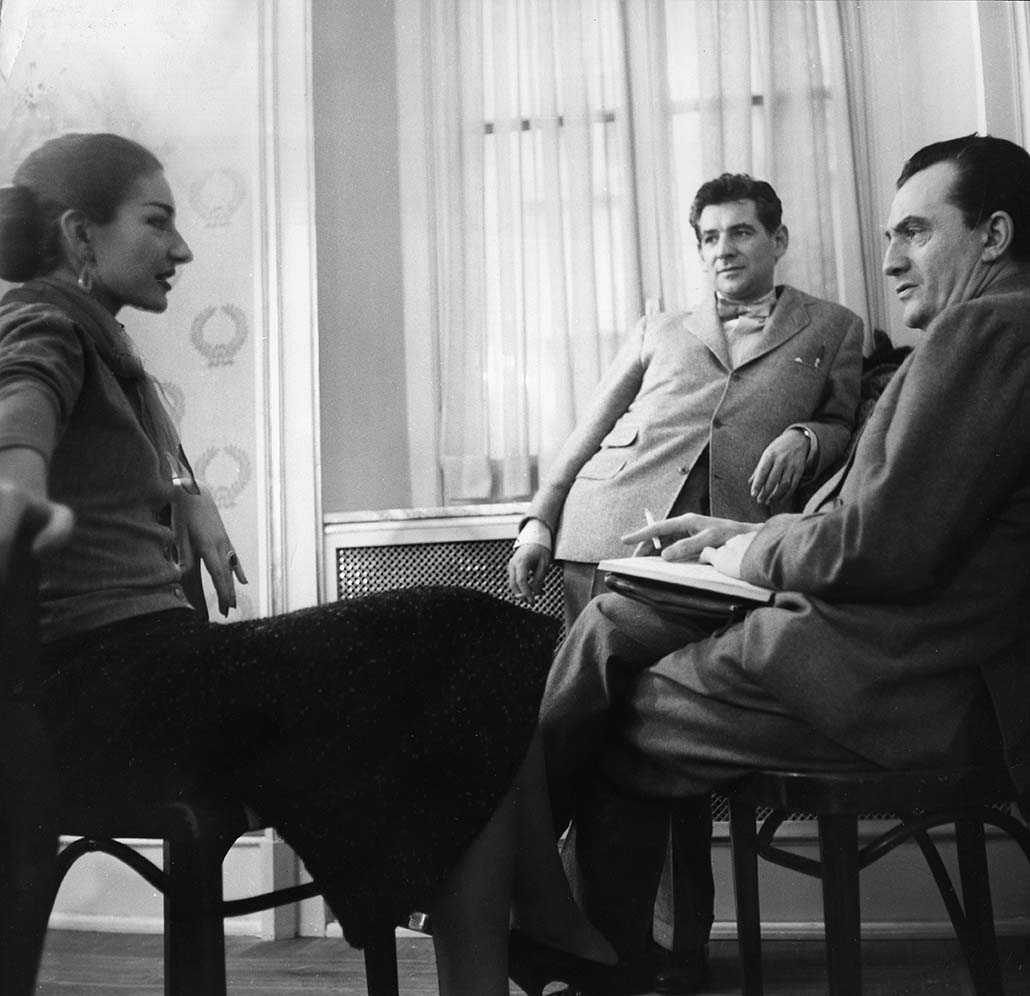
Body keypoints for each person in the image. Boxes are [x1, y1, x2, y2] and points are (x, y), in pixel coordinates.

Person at [0, 131, 623, 996]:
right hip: (111, 692)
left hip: (151, 671)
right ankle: (545, 924)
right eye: (157, 220)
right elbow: (20, 402)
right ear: (79, 235)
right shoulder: (40, 319)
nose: (181, 247)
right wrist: (15, 484)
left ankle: (520, 947)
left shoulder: (101, 339)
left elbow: (120, 424)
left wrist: (185, 488)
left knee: (480, 669)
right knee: (474, 631)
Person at [539, 133, 1030, 995]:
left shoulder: (981, 330)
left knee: (615, 712)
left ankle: (571, 940)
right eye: (887, 239)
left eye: (914, 233)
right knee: (614, 638)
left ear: (993, 236)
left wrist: (744, 540)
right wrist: (542, 516)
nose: (890, 262)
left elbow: (875, 541)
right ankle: (553, 919)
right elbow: (894, 515)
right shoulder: (991, 329)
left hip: (897, 675)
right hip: (910, 648)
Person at [508, 172, 864, 992]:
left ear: (777, 239)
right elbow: (588, 428)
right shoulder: (658, 328)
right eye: (709, 237)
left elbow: (854, 425)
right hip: (605, 534)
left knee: (664, 736)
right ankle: (626, 950)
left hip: (723, 557)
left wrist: (811, 435)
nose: (724, 249)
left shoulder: (835, 328)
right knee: (618, 733)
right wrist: (538, 517)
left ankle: (627, 930)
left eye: (741, 232)